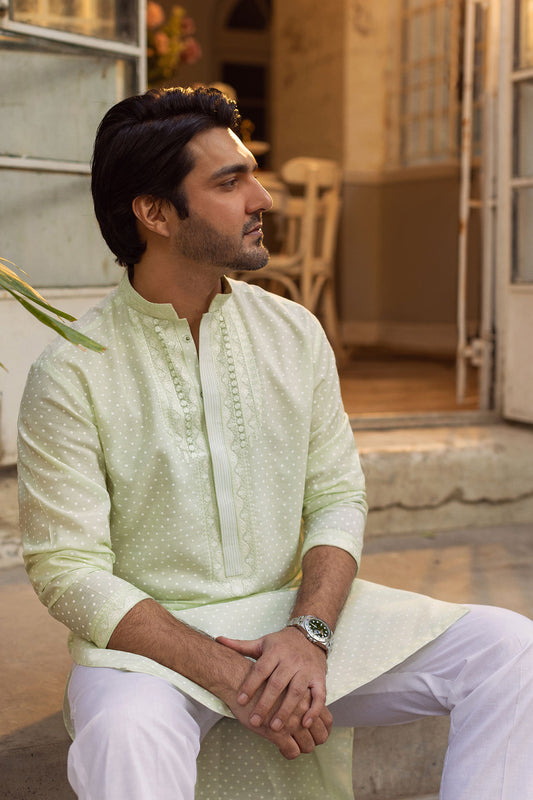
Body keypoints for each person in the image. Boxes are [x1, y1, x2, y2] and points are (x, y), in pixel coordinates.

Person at [18, 87, 533, 800]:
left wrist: (308, 632)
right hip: (151, 650)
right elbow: (68, 569)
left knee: (510, 650)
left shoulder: (293, 333)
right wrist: (228, 672)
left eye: (251, 176)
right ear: (155, 213)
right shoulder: (73, 371)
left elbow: (337, 496)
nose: (262, 199)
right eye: (230, 182)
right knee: (124, 735)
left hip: (293, 628)